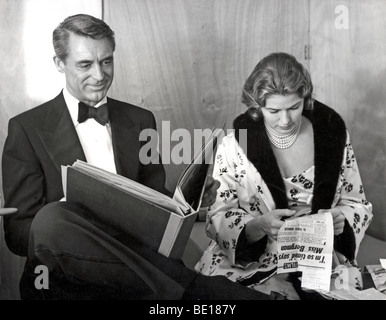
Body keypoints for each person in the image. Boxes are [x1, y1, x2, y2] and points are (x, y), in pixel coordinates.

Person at [1, 14, 269, 300]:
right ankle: (205, 294)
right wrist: (71, 220)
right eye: (85, 65)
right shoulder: (26, 129)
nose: (99, 74)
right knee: (52, 217)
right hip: (65, 277)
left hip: (136, 270)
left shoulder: (140, 120)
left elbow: (156, 206)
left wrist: (190, 205)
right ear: (59, 63)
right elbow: (18, 234)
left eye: (106, 61)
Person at [194, 52, 373, 299]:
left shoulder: (333, 136)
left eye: (294, 107)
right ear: (256, 107)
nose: (286, 120)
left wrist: (341, 222)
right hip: (254, 265)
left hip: (320, 262)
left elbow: (357, 203)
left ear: (305, 99)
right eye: (274, 111)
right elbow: (218, 214)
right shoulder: (234, 145)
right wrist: (256, 227)